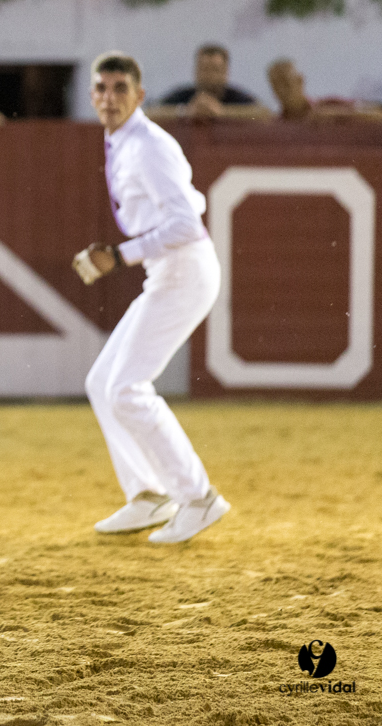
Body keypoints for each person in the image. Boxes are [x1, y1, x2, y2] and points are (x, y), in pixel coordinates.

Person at [72, 51, 230, 544]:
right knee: (103, 382)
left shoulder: (149, 145)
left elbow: (186, 224)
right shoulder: (123, 139)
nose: (109, 98)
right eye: (101, 88)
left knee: (127, 389)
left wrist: (118, 257)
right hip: (170, 272)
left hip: (185, 270)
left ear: (139, 96)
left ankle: (199, 497)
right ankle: (148, 494)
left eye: (120, 89)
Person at [146, 44, 270, 122]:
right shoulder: (182, 95)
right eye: (205, 69)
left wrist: (222, 112)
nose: (210, 76)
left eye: (215, 70)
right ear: (196, 70)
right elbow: (150, 113)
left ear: (225, 72)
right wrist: (185, 112)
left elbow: (264, 114)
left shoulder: (236, 97)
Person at [268, 59, 382, 122]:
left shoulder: (329, 105)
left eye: (286, 83)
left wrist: (337, 115)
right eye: (276, 85)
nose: (282, 91)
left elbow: (377, 115)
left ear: (300, 81)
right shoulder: (276, 125)